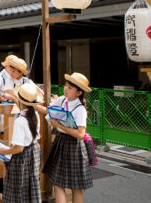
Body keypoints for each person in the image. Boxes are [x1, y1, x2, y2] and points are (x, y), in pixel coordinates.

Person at [37, 72, 93, 203]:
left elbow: (80, 134)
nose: (66, 89)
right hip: (62, 141)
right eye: (66, 86)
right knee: (59, 182)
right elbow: (48, 110)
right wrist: (31, 104)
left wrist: (58, 125)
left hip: (74, 145)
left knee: (76, 187)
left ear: (79, 93)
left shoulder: (80, 109)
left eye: (70, 88)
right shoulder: (61, 99)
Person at [0, 83, 42, 203]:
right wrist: (13, 98)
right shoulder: (35, 114)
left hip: (22, 156)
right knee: (32, 184)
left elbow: (18, 148)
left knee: (18, 188)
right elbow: (22, 106)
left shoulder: (20, 121)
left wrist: (4, 151)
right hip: (34, 150)